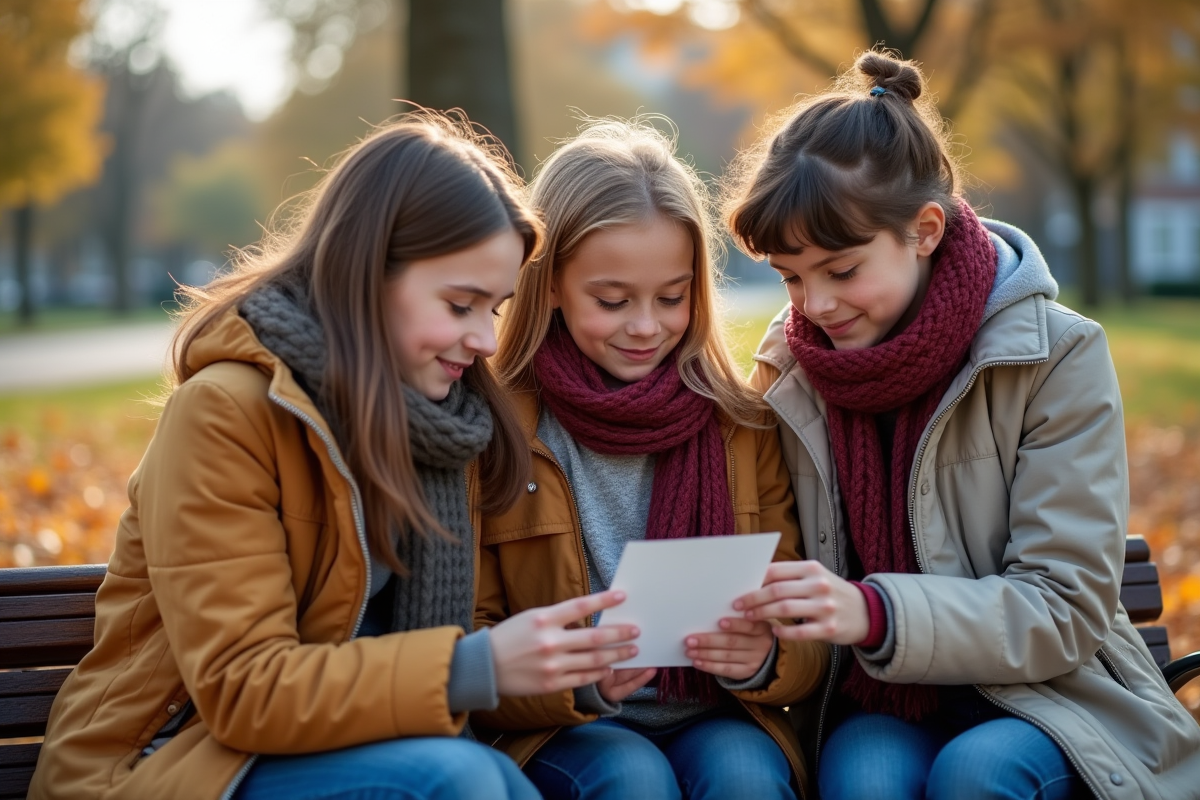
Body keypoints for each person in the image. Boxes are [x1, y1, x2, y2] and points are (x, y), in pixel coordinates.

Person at [29, 114, 645, 800]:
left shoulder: (443, 426)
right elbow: (243, 689)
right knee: (462, 779)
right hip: (175, 762)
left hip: (356, 748)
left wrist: (568, 674)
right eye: (461, 304)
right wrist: (470, 666)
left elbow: (461, 662)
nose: (486, 342)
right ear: (365, 275)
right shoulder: (225, 414)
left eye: (494, 309)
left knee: (577, 773)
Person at [724, 50, 1200, 800]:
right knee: (863, 777)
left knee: (976, 774)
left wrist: (874, 611)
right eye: (791, 276)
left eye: (841, 271)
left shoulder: (1054, 354)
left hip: (1054, 694)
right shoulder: (789, 372)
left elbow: (1064, 606)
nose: (814, 305)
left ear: (923, 230)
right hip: (880, 696)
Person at [472, 117, 830, 800]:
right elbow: (468, 637)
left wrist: (769, 658)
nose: (645, 326)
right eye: (612, 301)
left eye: (672, 297)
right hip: (560, 725)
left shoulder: (741, 420)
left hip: (715, 710)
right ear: (547, 284)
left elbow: (801, 607)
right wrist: (575, 681)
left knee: (747, 778)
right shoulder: (497, 427)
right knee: (632, 778)